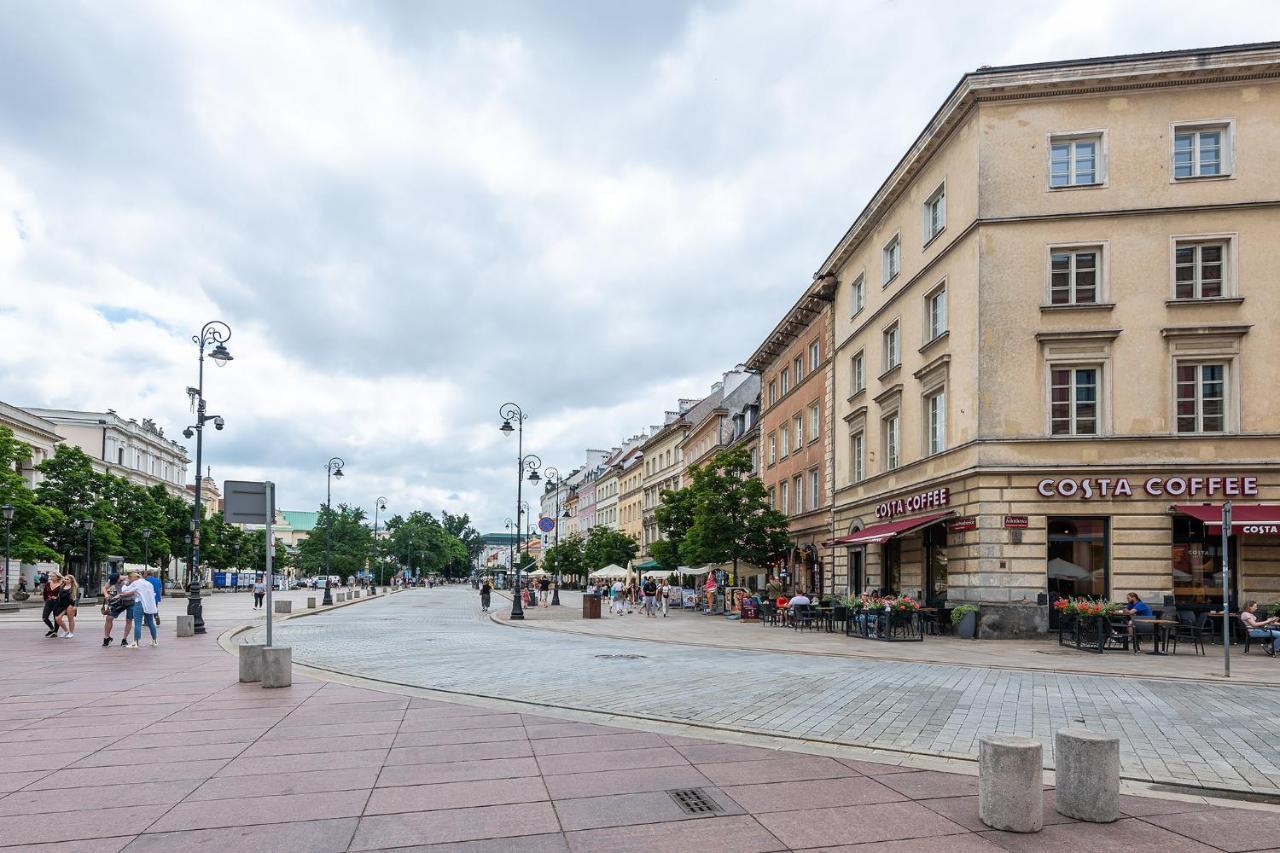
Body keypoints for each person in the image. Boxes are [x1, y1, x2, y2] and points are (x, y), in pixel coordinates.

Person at [121, 570, 159, 648]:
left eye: (129, 579)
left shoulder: (136, 583)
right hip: (149, 605)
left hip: (139, 603)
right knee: (151, 622)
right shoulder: (149, 584)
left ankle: (136, 642)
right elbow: (153, 594)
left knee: (137, 623)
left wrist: (125, 583)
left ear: (132, 578)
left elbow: (125, 591)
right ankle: (154, 641)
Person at [100, 572, 134, 647]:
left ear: (119, 578)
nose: (114, 583)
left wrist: (120, 594)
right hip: (119, 601)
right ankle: (106, 638)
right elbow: (104, 588)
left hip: (131, 601)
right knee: (109, 617)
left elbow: (134, 591)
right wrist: (106, 595)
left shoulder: (130, 579)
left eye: (115, 582)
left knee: (129, 620)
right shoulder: (113, 579)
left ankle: (124, 639)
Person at [41, 571, 62, 637]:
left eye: (53, 576)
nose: (51, 577)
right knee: (44, 617)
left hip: (57, 603)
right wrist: (46, 599)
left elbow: (63, 594)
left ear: (57, 577)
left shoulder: (61, 585)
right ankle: (52, 629)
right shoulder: (48, 584)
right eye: (51, 576)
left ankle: (55, 632)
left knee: (56, 618)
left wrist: (57, 597)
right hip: (49, 602)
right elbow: (45, 593)